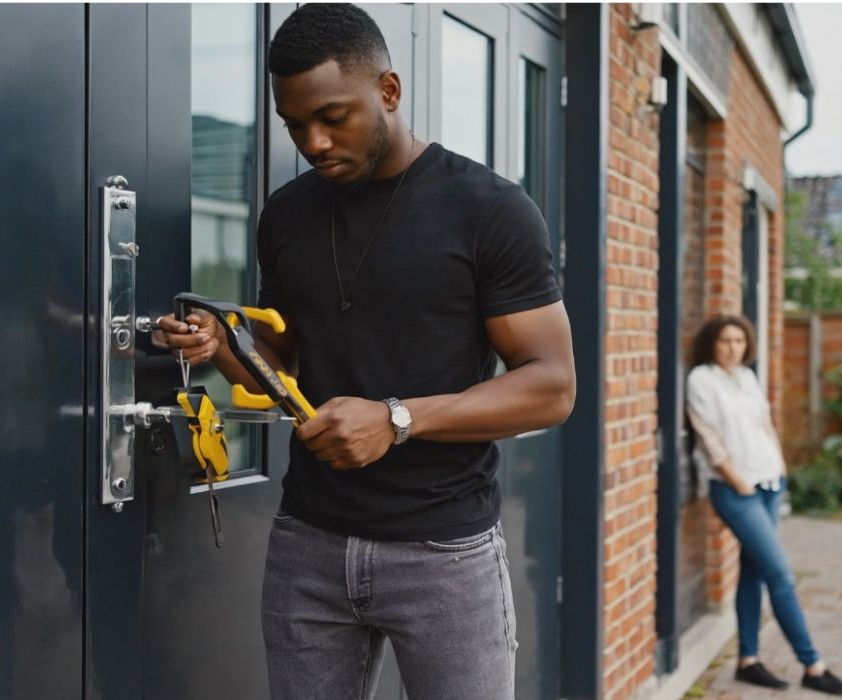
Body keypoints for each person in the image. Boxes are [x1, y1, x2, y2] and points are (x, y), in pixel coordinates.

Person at [156, 4, 575, 699]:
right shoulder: (286, 215)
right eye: (295, 125)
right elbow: (279, 370)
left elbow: (552, 387)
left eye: (332, 116)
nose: (314, 142)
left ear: (388, 91)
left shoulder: (489, 210)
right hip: (308, 545)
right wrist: (217, 348)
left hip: (444, 553)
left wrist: (397, 418)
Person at [685, 315, 842, 696]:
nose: (733, 348)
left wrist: (779, 468)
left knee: (754, 570)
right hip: (736, 490)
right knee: (781, 574)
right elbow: (709, 438)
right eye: (725, 341)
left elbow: (765, 425)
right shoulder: (701, 379)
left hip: (769, 484)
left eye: (739, 341)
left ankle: (748, 659)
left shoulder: (747, 377)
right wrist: (737, 481)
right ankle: (813, 665)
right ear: (712, 343)